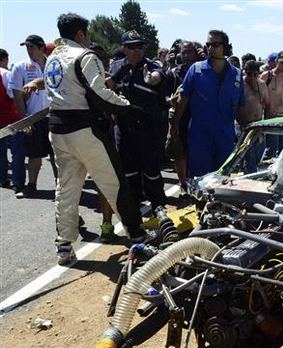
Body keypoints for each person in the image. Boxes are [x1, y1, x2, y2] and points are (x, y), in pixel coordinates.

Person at [43, 13, 155, 265]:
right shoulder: (85, 56)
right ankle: (137, 235)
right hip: (85, 130)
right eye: (87, 34)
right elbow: (101, 95)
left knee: (67, 189)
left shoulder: (52, 59)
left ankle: (63, 247)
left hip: (58, 131)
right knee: (114, 182)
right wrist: (130, 108)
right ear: (81, 34)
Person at [170, 30, 245, 177]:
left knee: (222, 178)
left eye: (215, 44)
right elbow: (182, 100)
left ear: (226, 47)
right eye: (208, 44)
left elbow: (240, 106)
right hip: (200, 136)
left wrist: (249, 130)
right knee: (199, 178)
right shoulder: (196, 70)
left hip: (225, 137)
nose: (210, 48)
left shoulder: (236, 74)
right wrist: (174, 126)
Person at [109, 30, 167, 211]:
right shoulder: (116, 67)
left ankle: (160, 210)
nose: (136, 50)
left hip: (148, 131)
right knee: (129, 175)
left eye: (139, 46)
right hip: (124, 131)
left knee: (152, 175)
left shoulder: (151, 66)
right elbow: (106, 88)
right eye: (131, 46)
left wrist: (153, 79)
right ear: (123, 48)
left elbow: (159, 76)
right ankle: (135, 213)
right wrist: (113, 79)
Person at [9, 34, 55, 197]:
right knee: (34, 154)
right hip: (34, 118)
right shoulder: (21, 67)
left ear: (42, 48)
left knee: (57, 154)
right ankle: (31, 185)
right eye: (27, 47)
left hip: (55, 116)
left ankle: (62, 186)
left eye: (31, 47)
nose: (28, 51)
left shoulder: (54, 64)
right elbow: (17, 94)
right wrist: (25, 120)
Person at [165, 40, 204, 198]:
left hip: (200, 118)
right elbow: (164, 94)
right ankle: (182, 185)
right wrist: (169, 100)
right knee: (179, 153)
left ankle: (198, 183)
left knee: (198, 152)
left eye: (189, 52)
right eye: (183, 52)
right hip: (180, 119)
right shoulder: (174, 73)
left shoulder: (204, 71)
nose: (186, 56)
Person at [0, 48, 26, 197]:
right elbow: (13, 95)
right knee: (17, 152)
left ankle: (2, 178)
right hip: (10, 119)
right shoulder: (6, 74)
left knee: (0, 152)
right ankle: (18, 183)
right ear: (4, 59)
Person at [238, 60, 268, 128]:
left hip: (258, 124)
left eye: (255, 74)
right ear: (245, 72)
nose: (252, 77)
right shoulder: (240, 85)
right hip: (243, 125)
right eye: (249, 74)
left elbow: (266, 102)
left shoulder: (262, 84)